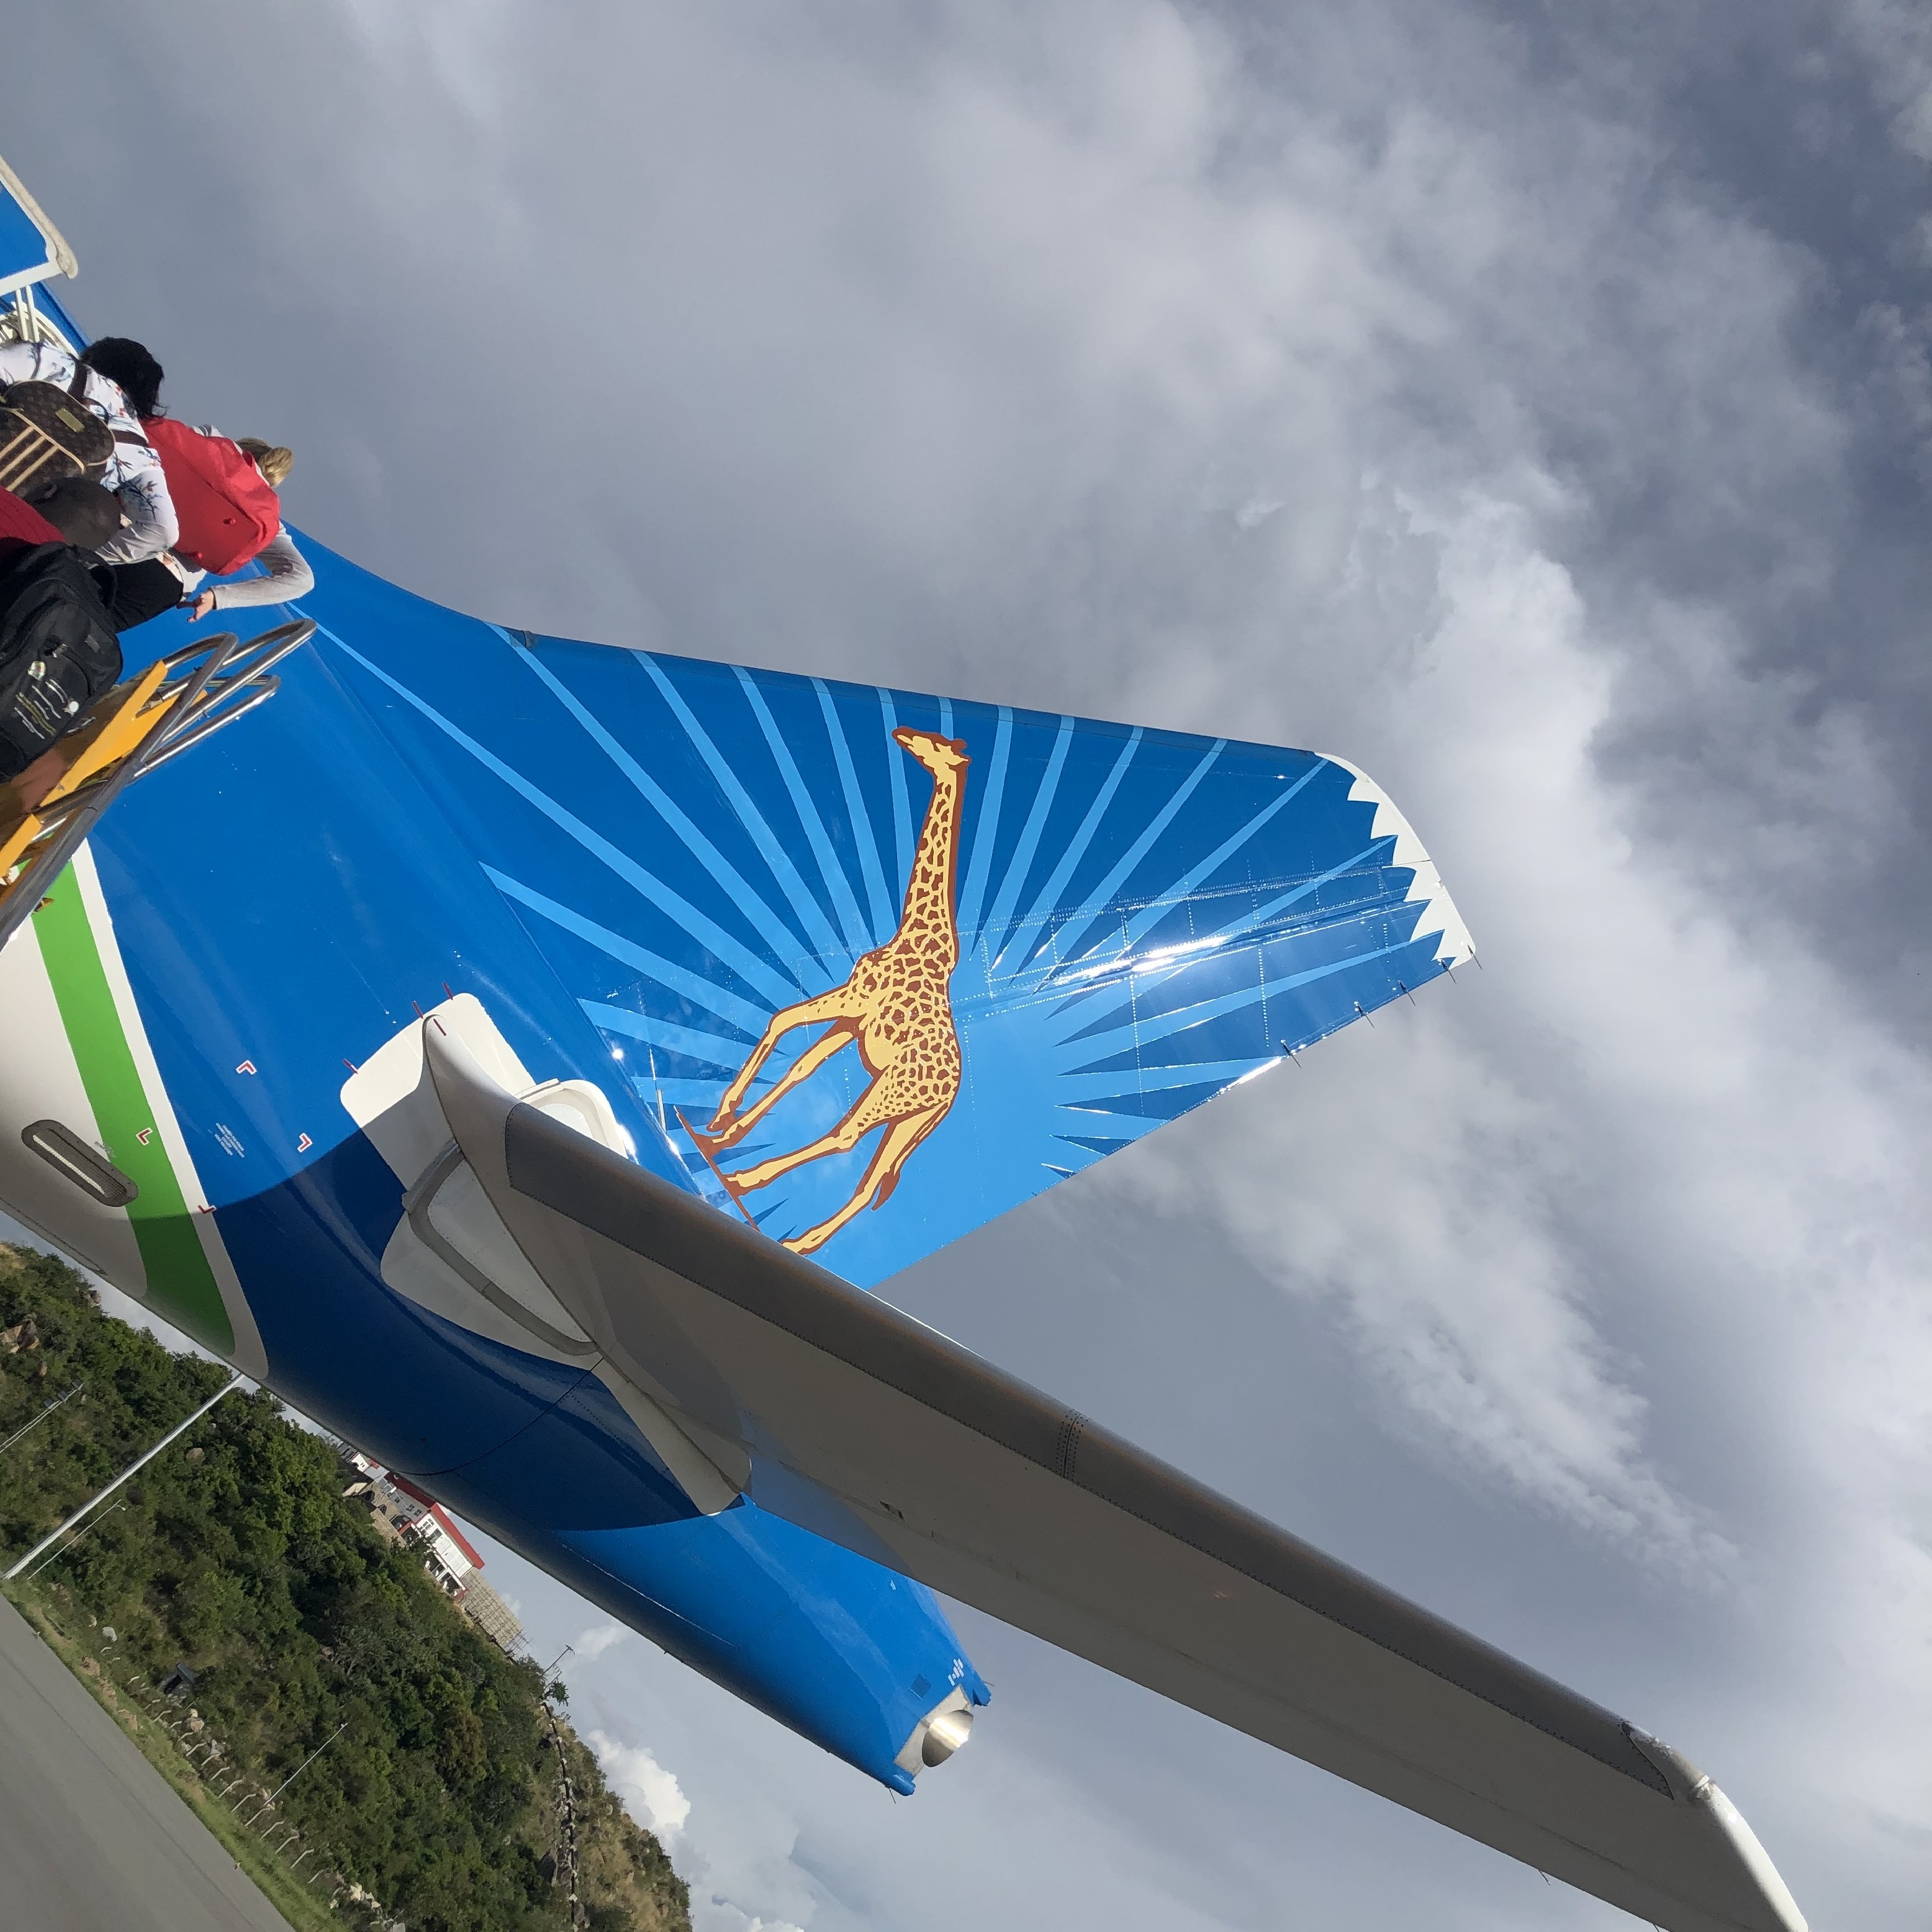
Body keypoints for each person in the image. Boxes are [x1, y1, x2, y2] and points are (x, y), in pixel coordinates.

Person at [75, 338, 312, 618]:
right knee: (62, 640)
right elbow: (301, 578)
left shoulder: (210, 440)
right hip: (162, 581)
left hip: (110, 529)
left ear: (240, 449)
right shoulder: (264, 519)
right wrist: (218, 597)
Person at [0, 336, 176, 566]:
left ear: (94, 356)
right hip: (14, 536)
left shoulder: (52, 361)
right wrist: (84, 559)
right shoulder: (140, 452)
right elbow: (164, 531)